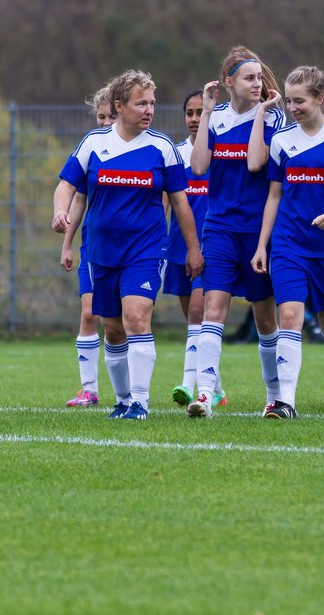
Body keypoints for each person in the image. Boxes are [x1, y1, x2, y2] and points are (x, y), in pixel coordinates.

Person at [52, 69, 203, 420]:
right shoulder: (94, 143)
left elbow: (181, 203)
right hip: (103, 253)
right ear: (119, 106)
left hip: (146, 250)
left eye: (152, 103)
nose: (149, 110)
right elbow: (66, 186)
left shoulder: (162, 148)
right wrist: (60, 212)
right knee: (113, 327)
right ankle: (122, 400)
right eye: (141, 104)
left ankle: (140, 401)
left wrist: (194, 249)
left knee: (136, 316)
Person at [251, 66, 324, 418]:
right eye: (288, 100)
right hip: (288, 244)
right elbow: (274, 196)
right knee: (289, 316)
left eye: (298, 100)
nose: (292, 107)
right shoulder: (283, 141)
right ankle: (285, 401)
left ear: (319, 99)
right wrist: (261, 246)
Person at [187, 45, 286, 418]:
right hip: (221, 228)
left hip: (259, 232)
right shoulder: (216, 119)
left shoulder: (274, 120)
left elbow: (256, 162)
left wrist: (261, 113)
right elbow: (198, 167)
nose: (257, 83)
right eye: (249, 78)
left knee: (264, 317)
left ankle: (274, 396)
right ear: (229, 82)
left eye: (259, 77)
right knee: (213, 308)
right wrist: (208, 115)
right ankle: (205, 394)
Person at [167, 90, 227, 410]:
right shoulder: (175, 154)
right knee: (193, 318)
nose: (193, 118)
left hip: (212, 246)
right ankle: (215, 386)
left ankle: (189, 385)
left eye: (199, 112)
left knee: (197, 314)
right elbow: (165, 203)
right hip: (180, 247)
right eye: (189, 113)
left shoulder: (218, 155)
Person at [59, 85, 114, 407]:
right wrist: (67, 243)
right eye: (100, 116)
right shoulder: (92, 149)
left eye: (111, 116)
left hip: (131, 249)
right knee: (89, 313)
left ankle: (133, 391)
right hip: (93, 246)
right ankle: (89, 389)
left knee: (120, 321)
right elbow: (79, 199)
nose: (105, 122)